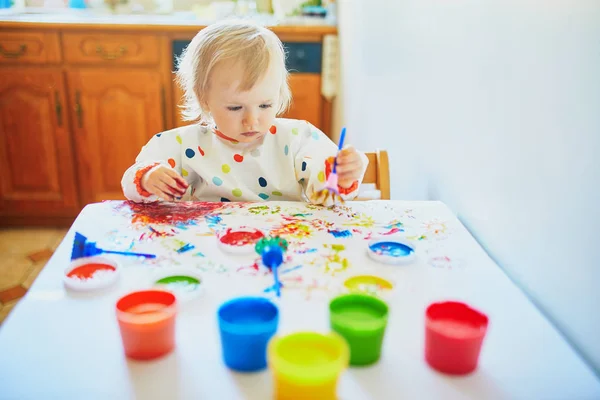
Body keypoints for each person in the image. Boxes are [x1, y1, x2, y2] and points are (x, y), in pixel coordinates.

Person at [121, 20, 368, 206]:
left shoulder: (298, 138)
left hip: (286, 245)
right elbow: (133, 182)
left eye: (265, 105)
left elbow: (327, 196)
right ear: (204, 99)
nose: (252, 120)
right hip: (211, 248)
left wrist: (341, 176)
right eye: (235, 107)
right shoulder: (182, 144)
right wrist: (147, 178)